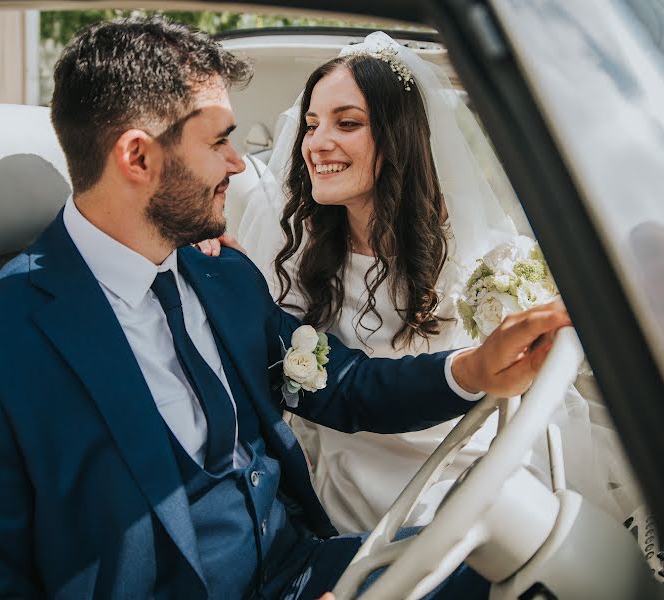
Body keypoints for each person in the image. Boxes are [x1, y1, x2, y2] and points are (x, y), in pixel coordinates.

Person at [0, 18, 570, 600]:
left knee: (542, 569)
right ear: (137, 157)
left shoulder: (223, 276)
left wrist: (473, 370)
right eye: (218, 141)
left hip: (305, 567)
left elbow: (340, 386)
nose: (240, 167)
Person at [229, 32, 626, 534]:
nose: (316, 143)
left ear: (397, 137)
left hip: (464, 452)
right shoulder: (294, 247)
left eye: (346, 123)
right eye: (311, 125)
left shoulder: (471, 253)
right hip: (349, 458)